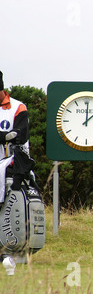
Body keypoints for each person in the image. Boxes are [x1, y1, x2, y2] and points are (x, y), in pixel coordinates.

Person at [0, 71, 33, 276]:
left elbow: (21, 135)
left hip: (12, 162)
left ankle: (8, 251)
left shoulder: (17, 107)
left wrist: (8, 136)